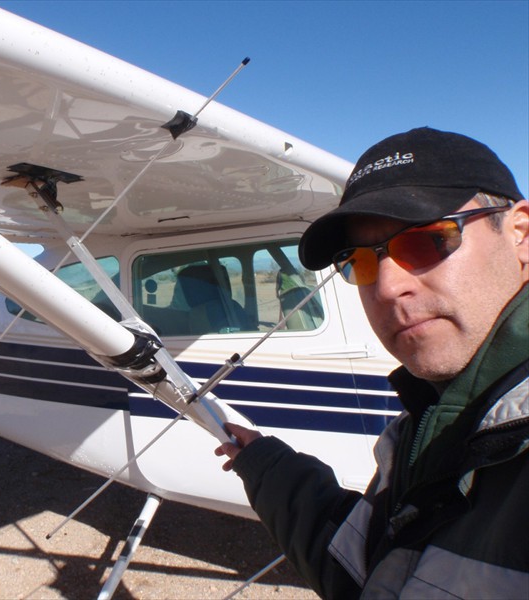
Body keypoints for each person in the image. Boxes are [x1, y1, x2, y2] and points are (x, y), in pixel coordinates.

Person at [215, 127, 528, 598]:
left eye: (427, 241)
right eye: (357, 262)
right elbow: (368, 571)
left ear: (520, 235)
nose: (385, 288)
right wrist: (264, 463)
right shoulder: (427, 422)